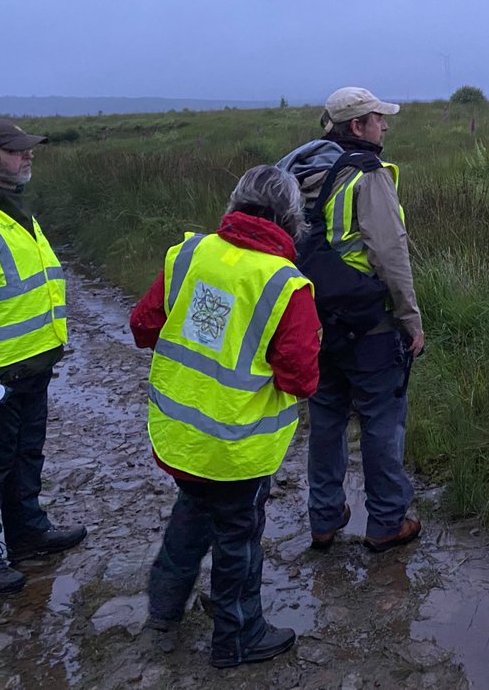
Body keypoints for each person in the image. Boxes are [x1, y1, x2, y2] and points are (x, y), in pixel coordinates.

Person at [129, 165, 321, 668]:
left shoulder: (189, 254)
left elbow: (143, 326)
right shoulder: (287, 285)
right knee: (238, 537)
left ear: (236, 202)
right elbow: (301, 380)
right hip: (239, 445)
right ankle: (238, 636)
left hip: (181, 434)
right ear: (291, 217)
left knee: (191, 514)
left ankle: (163, 614)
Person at [277, 87, 424, 553]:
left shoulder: (295, 173)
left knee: (325, 419)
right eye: (378, 118)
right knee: (381, 421)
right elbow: (390, 253)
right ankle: (386, 523)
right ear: (357, 126)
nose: (385, 125)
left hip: (313, 319)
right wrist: (411, 319)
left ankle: (323, 519)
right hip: (368, 323)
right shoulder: (367, 174)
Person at [0, 119, 86, 595]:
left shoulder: (10, 206)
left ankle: (28, 533)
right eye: (17, 150)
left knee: (27, 452)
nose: (29, 155)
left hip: (32, 361)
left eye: (29, 148)